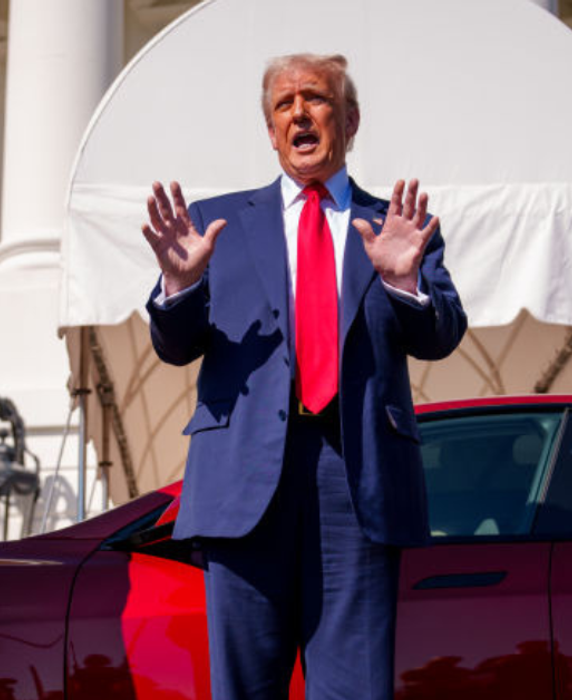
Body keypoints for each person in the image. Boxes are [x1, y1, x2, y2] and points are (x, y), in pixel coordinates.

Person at [142, 53, 466, 699]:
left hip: (357, 480)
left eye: (314, 98)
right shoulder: (215, 223)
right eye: (283, 105)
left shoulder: (396, 224)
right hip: (241, 481)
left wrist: (403, 282)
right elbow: (174, 349)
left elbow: (440, 336)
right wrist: (179, 286)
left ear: (348, 119)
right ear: (269, 131)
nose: (298, 114)